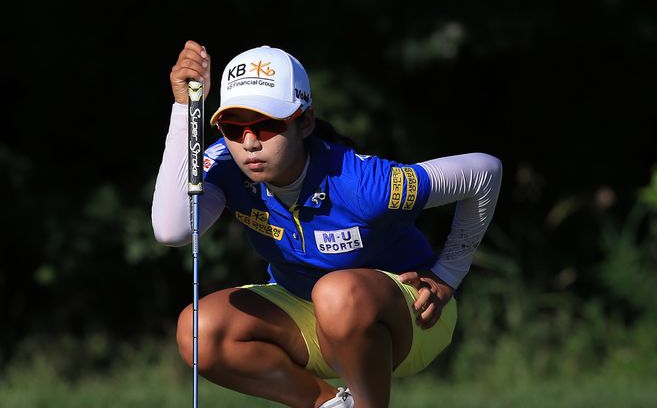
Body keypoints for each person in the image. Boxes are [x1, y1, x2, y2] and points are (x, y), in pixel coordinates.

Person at [152, 40, 502, 408]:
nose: (249, 142)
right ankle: (330, 404)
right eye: (233, 127)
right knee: (199, 329)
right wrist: (184, 109)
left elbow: (484, 172)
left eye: (267, 125)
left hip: (412, 318)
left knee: (336, 292)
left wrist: (448, 273)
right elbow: (172, 229)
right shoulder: (225, 165)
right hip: (306, 311)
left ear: (304, 122)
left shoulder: (364, 183)